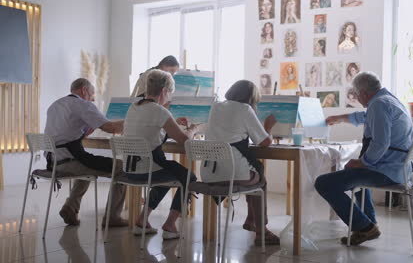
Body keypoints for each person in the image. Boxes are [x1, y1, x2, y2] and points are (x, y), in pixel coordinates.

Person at [314, 72, 413, 246]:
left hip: (387, 171)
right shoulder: (388, 100)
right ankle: (369, 223)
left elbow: (381, 143)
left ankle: (364, 227)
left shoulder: (379, 104)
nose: (357, 98)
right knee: (355, 171)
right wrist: (340, 118)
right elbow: (365, 117)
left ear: (363, 93)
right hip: (398, 169)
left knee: (323, 183)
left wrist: (362, 162)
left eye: (356, 94)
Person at [201, 80, 280, 245]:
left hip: (209, 173)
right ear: (251, 98)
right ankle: (261, 231)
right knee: (260, 180)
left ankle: (251, 220)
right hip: (233, 173)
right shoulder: (245, 109)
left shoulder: (216, 106)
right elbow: (265, 142)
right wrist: (268, 127)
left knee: (256, 171)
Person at [124, 69, 200, 238]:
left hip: (130, 170)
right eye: (169, 94)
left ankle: (142, 220)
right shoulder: (159, 111)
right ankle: (170, 224)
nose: (169, 97)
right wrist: (193, 129)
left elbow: (150, 125)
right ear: (164, 91)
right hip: (148, 170)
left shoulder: (133, 107)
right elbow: (184, 139)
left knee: (169, 174)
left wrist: (171, 119)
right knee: (188, 177)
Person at [44, 78, 127, 227]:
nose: (93, 99)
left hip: (53, 161)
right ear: (84, 90)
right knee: (122, 168)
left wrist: (84, 132)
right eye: (92, 94)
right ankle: (112, 217)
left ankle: (70, 207)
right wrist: (133, 121)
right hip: (68, 163)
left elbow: (65, 132)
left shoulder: (55, 105)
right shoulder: (82, 104)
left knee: (89, 166)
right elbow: (111, 128)